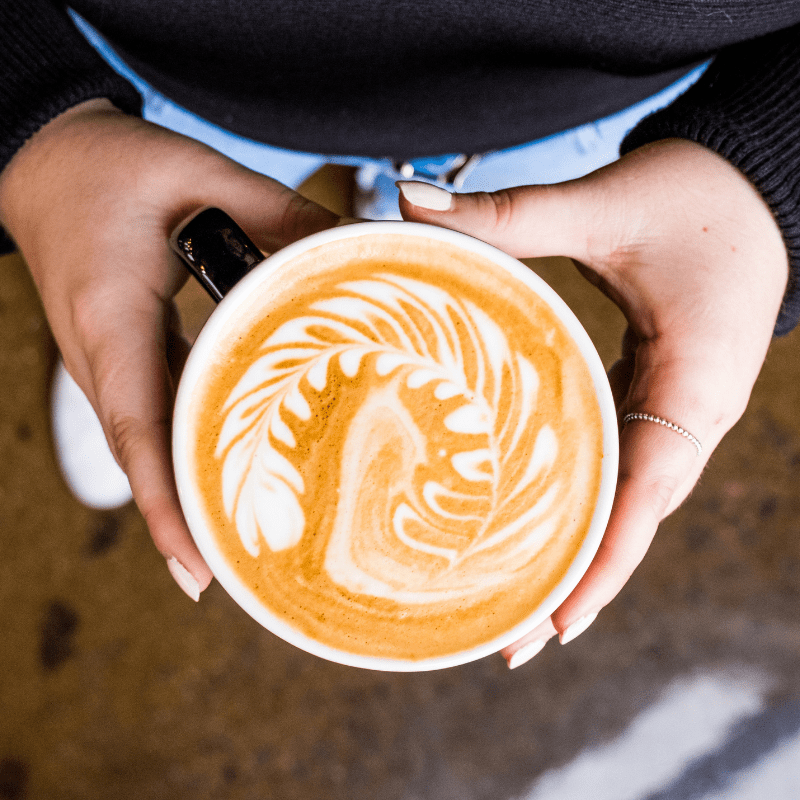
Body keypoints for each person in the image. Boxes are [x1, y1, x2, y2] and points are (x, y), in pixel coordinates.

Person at [0, 2, 797, 669]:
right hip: (181, 74)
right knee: (175, 246)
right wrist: (38, 105)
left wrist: (771, 166)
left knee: (426, 253)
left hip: (589, 109)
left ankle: (336, 279)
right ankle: (165, 329)